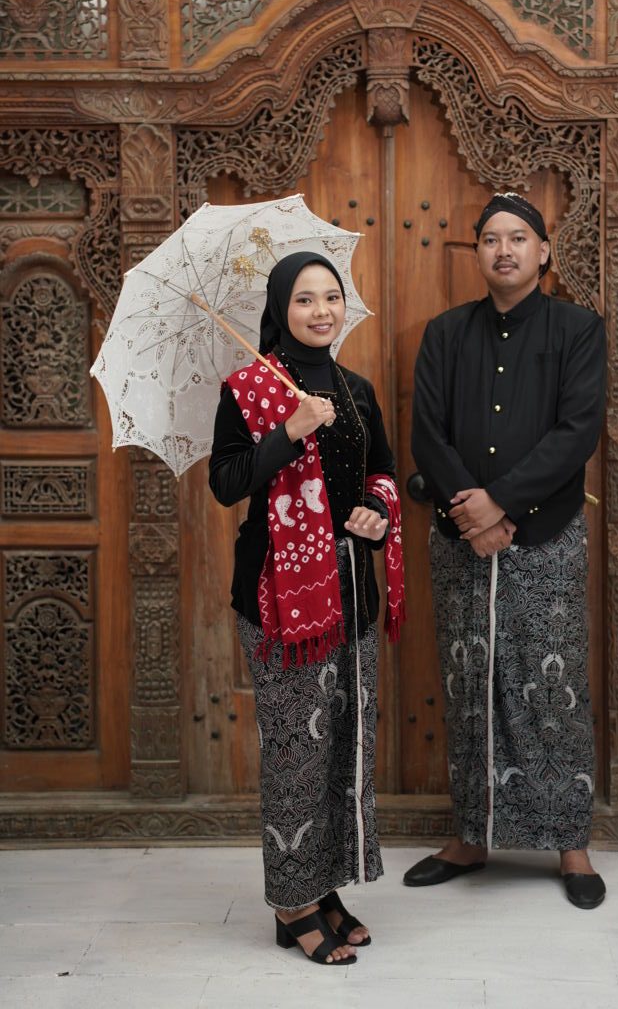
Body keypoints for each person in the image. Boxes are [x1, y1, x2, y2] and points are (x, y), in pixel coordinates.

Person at [404, 192, 607, 909]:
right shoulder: (446, 333)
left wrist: (502, 503)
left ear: (543, 251)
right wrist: (472, 512)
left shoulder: (577, 329)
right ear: (478, 253)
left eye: (518, 237)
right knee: (471, 686)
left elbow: (577, 431)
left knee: (554, 687)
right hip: (462, 537)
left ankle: (571, 844)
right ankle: (470, 836)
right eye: (491, 238)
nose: (504, 249)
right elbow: (427, 432)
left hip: (546, 536)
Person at [209, 252, 404, 964]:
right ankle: (291, 902)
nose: (321, 311)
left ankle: (324, 888)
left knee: (343, 746)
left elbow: (382, 470)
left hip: (351, 591)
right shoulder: (249, 388)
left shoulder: (356, 389)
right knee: (297, 752)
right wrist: (288, 431)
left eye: (331, 297)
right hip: (280, 602)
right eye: (303, 299)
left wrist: (377, 511)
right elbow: (226, 482)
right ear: (279, 310)